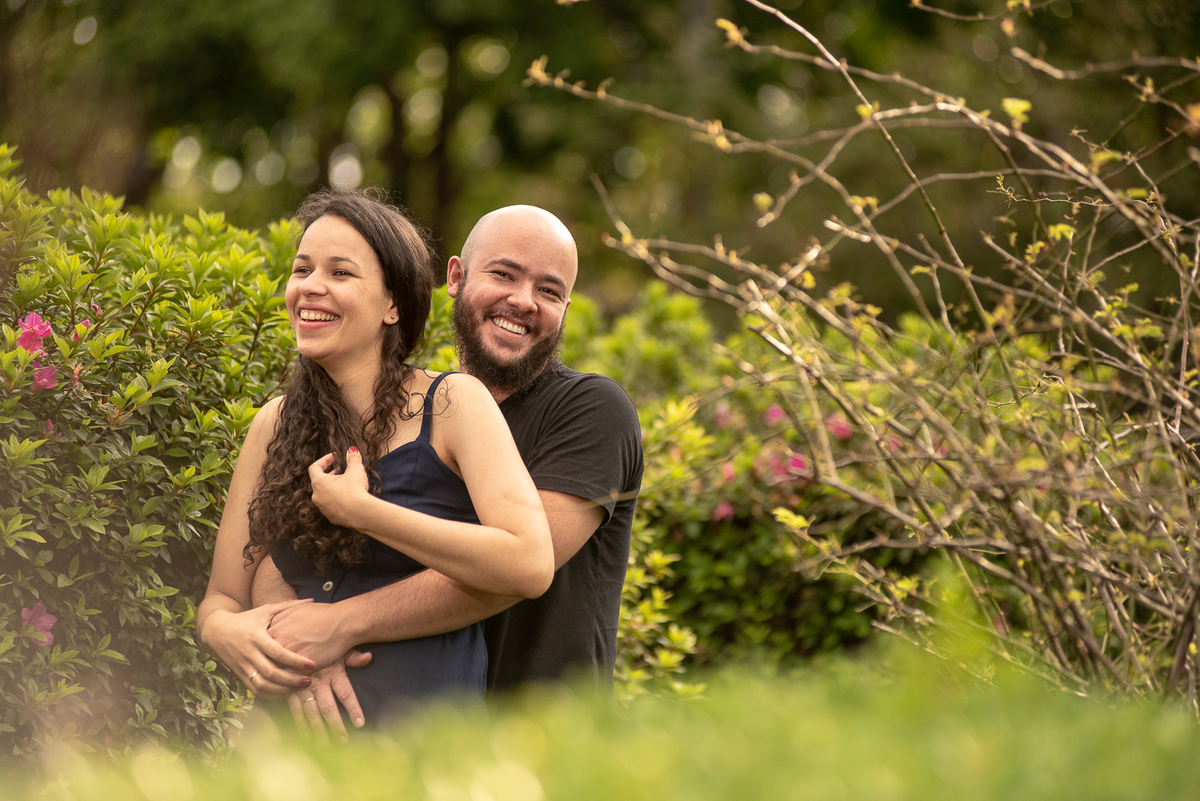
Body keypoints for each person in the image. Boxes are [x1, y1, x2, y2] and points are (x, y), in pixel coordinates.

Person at [251, 204, 645, 741]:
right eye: (503, 274)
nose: (523, 301)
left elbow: (515, 574)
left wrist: (335, 624)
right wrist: (287, 639)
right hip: (410, 724)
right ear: (455, 278)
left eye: (549, 291)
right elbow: (301, 537)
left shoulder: (591, 409)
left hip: (543, 737)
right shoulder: (418, 409)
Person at [196, 191, 554, 729]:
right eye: (302, 269)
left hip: (423, 743)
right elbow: (222, 597)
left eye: (341, 273)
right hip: (288, 753)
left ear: (393, 305)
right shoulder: (272, 424)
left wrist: (365, 514)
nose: (311, 286)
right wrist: (227, 633)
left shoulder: (454, 403)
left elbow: (528, 562)